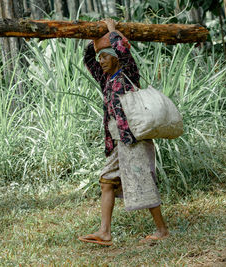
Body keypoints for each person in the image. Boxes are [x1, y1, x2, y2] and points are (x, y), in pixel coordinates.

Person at [78, 18, 169, 246]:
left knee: (142, 181)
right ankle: (105, 232)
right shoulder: (106, 79)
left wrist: (111, 30)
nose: (101, 62)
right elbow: (88, 59)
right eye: (101, 57)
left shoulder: (128, 73)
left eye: (105, 56)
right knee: (107, 181)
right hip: (117, 141)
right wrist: (95, 40)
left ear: (116, 57)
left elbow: (123, 49)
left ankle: (162, 230)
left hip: (135, 139)